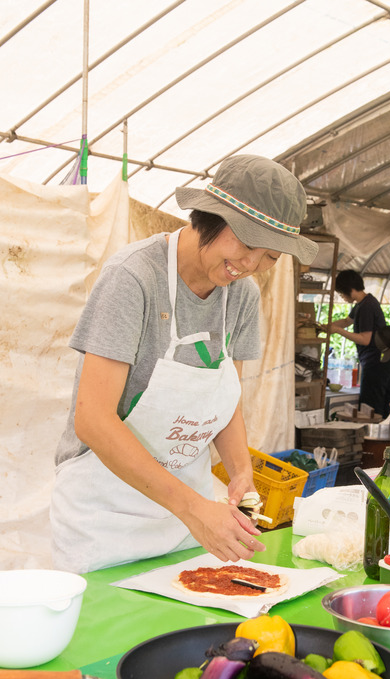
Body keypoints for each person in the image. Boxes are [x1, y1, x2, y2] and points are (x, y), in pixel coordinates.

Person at [50, 154, 318, 573]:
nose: (249, 265)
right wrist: (193, 508)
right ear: (209, 217)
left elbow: (224, 402)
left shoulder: (241, 296)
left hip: (185, 521)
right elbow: (93, 419)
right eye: (247, 244)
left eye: (270, 258)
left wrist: (240, 471)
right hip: (105, 517)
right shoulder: (135, 278)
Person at [328, 269, 390, 417]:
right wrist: (327, 327)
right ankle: (387, 437)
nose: (342, 297)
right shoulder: (363, 303)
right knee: (384, 406)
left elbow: (365, 339)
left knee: (372, 408)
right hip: (384, 361)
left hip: (376, 363)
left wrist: (337, 331)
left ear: (350, 290)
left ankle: (375, 437)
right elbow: (347, 321)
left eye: (341, 293)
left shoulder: (366, 307)